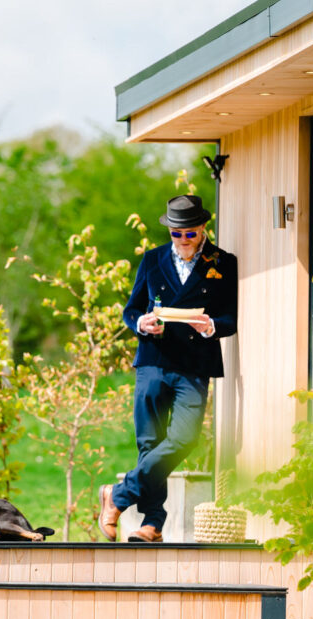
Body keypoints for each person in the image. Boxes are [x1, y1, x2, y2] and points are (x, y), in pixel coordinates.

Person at [98, 194, 238, 543]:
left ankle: (117, 496)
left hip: (195, 365)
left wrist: (211, 326)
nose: (184, 240)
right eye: (177, 234)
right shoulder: (152, 259)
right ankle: (153, 523)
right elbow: (131, 310)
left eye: (190, 233)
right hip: (153, 360)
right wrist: (141, 323)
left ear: (203, 228)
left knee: (184, 438)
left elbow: (229, 318)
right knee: (150, 442)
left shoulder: (224, 263)